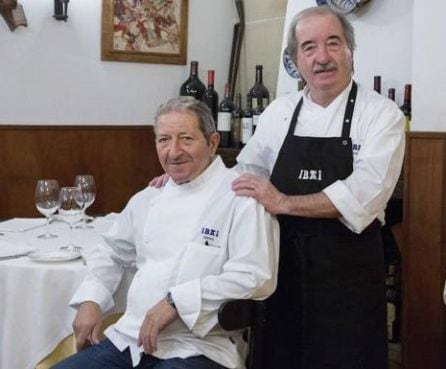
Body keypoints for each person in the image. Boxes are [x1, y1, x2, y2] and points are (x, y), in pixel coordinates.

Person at [231, 6, 405, 369]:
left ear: (350, 52)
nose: (322, 57)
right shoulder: (280, 111)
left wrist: (281, 201)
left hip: (348, 276)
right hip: (282, 269)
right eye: (309, 47)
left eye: (333, 43)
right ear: (296, 60)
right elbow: (246, 170)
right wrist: (188, 180)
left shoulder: (381, 114)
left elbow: (366, 193)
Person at [52, 96, 279, 369]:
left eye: (186, 138)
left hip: (200, 346)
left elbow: (255, 276)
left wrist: (176, 302)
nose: (173, 152)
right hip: (130, 340)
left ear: (213, 142)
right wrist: (92, 299)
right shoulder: (148, 197)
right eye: (164, 140)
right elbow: (111, 251)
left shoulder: (242, 197)